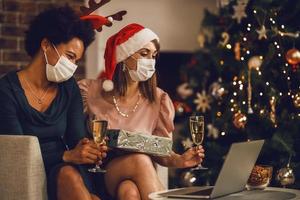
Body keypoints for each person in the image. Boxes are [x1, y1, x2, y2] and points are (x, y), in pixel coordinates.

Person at [78, 23, 205, 200]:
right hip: (101, 173)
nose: (150, 61)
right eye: (144, 54)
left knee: (129, 192)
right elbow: (73, 136)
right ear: (124, 56)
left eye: (153, 56)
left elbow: (160, 150)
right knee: (140, 160)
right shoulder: (89, 91)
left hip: (137, 178)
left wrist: (180, 160)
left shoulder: (159, 100)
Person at [0, 6, 107, 200]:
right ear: (46, 44)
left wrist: (88, 148)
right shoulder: (6, 90)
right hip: (28, 173)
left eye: (76, 61)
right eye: (70, 57)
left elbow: (76, 139)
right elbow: (16, 153)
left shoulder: (69, 88)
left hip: (65, 169)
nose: (72, 67)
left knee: (75, 180)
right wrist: (66, 156)